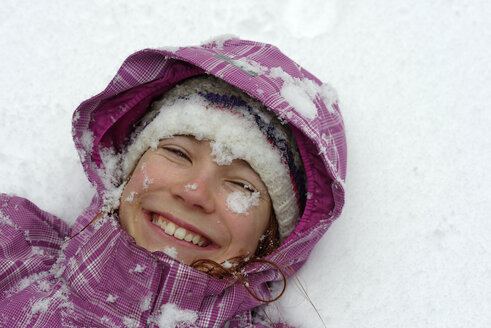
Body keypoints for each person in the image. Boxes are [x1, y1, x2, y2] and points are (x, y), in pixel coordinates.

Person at [0, 37, 346, 327]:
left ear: (269, 241)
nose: (194, 192)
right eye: (178, 153)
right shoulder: (11, 245)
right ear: (128, 169)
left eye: (242, 186)